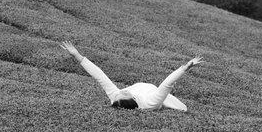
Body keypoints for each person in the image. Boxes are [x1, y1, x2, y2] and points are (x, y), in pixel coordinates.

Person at [60, 41, 204, 112]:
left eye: (118, 94)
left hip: (142, 87)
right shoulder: (150, 102)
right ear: (131, 99)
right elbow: (166, 85)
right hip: (154, 93)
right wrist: (185, 67)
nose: (120, 91)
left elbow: (100, 76)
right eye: (123, 93)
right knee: (178, 106)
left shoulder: (116, 97)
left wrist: (76, 55)